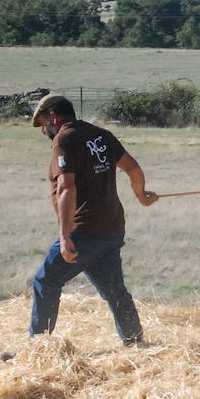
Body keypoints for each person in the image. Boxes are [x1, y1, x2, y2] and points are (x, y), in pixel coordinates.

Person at [24, 93, 158, 346]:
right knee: (113, 289)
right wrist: (141, 195)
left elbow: (67, 188)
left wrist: (65, 237)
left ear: (54, 116)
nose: (44, 131)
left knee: (46, 280)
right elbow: (133, 168)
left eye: (44, 124)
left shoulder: (65, 139)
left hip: (84, 231)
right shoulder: (101, 135)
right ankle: (135, 343)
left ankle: (38, 348)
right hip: (112, 227)